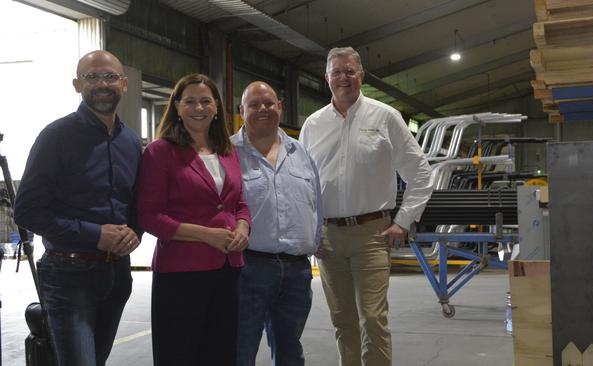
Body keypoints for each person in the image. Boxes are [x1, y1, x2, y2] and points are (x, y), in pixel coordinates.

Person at [299, 47, 434, 366]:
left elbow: (420, 172)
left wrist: (403, 220)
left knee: (373, 319)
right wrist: (309, 231)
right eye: (337, 72)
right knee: (342, 319)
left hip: (373, 234)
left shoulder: (385, 117)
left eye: (350, 71)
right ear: (326, 78)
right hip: (328, 236)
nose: (343, 77)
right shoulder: (313, 125)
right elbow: (302, 184)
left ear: (361, 75)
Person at [14, 50, 142, 366]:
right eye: (92, 77)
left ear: (124, 84)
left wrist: (135, 232)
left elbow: (136, 202)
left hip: (116, 274)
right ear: (77, 85)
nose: (102, 84)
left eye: (110, 76)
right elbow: (27, 210)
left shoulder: (130, 142)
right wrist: (95, 234)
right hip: (68, 275)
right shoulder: (56, 136)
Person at [137, 73, 251, 366]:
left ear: (216, 108)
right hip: (181, 273)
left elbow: (239, 203)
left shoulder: (228, 153)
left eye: (205, 101)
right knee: (180, 353)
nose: (198, 108)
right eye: (189, 101)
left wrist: (242, 226)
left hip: (228, 270)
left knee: (222, 352)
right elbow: (150, 216)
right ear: (176, 106)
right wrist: (206, 235)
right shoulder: (159, 152)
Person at [232, 81, 322, 366]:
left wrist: (316, 241)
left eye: (269, 103)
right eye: (254, 104)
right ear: (241, 110)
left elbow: (316, 203)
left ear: (280, 107)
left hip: (296, 271)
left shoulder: (301, 153)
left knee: (290, 351)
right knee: (239, 349)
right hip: (247, 269)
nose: (263, 109)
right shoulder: (227, 153)